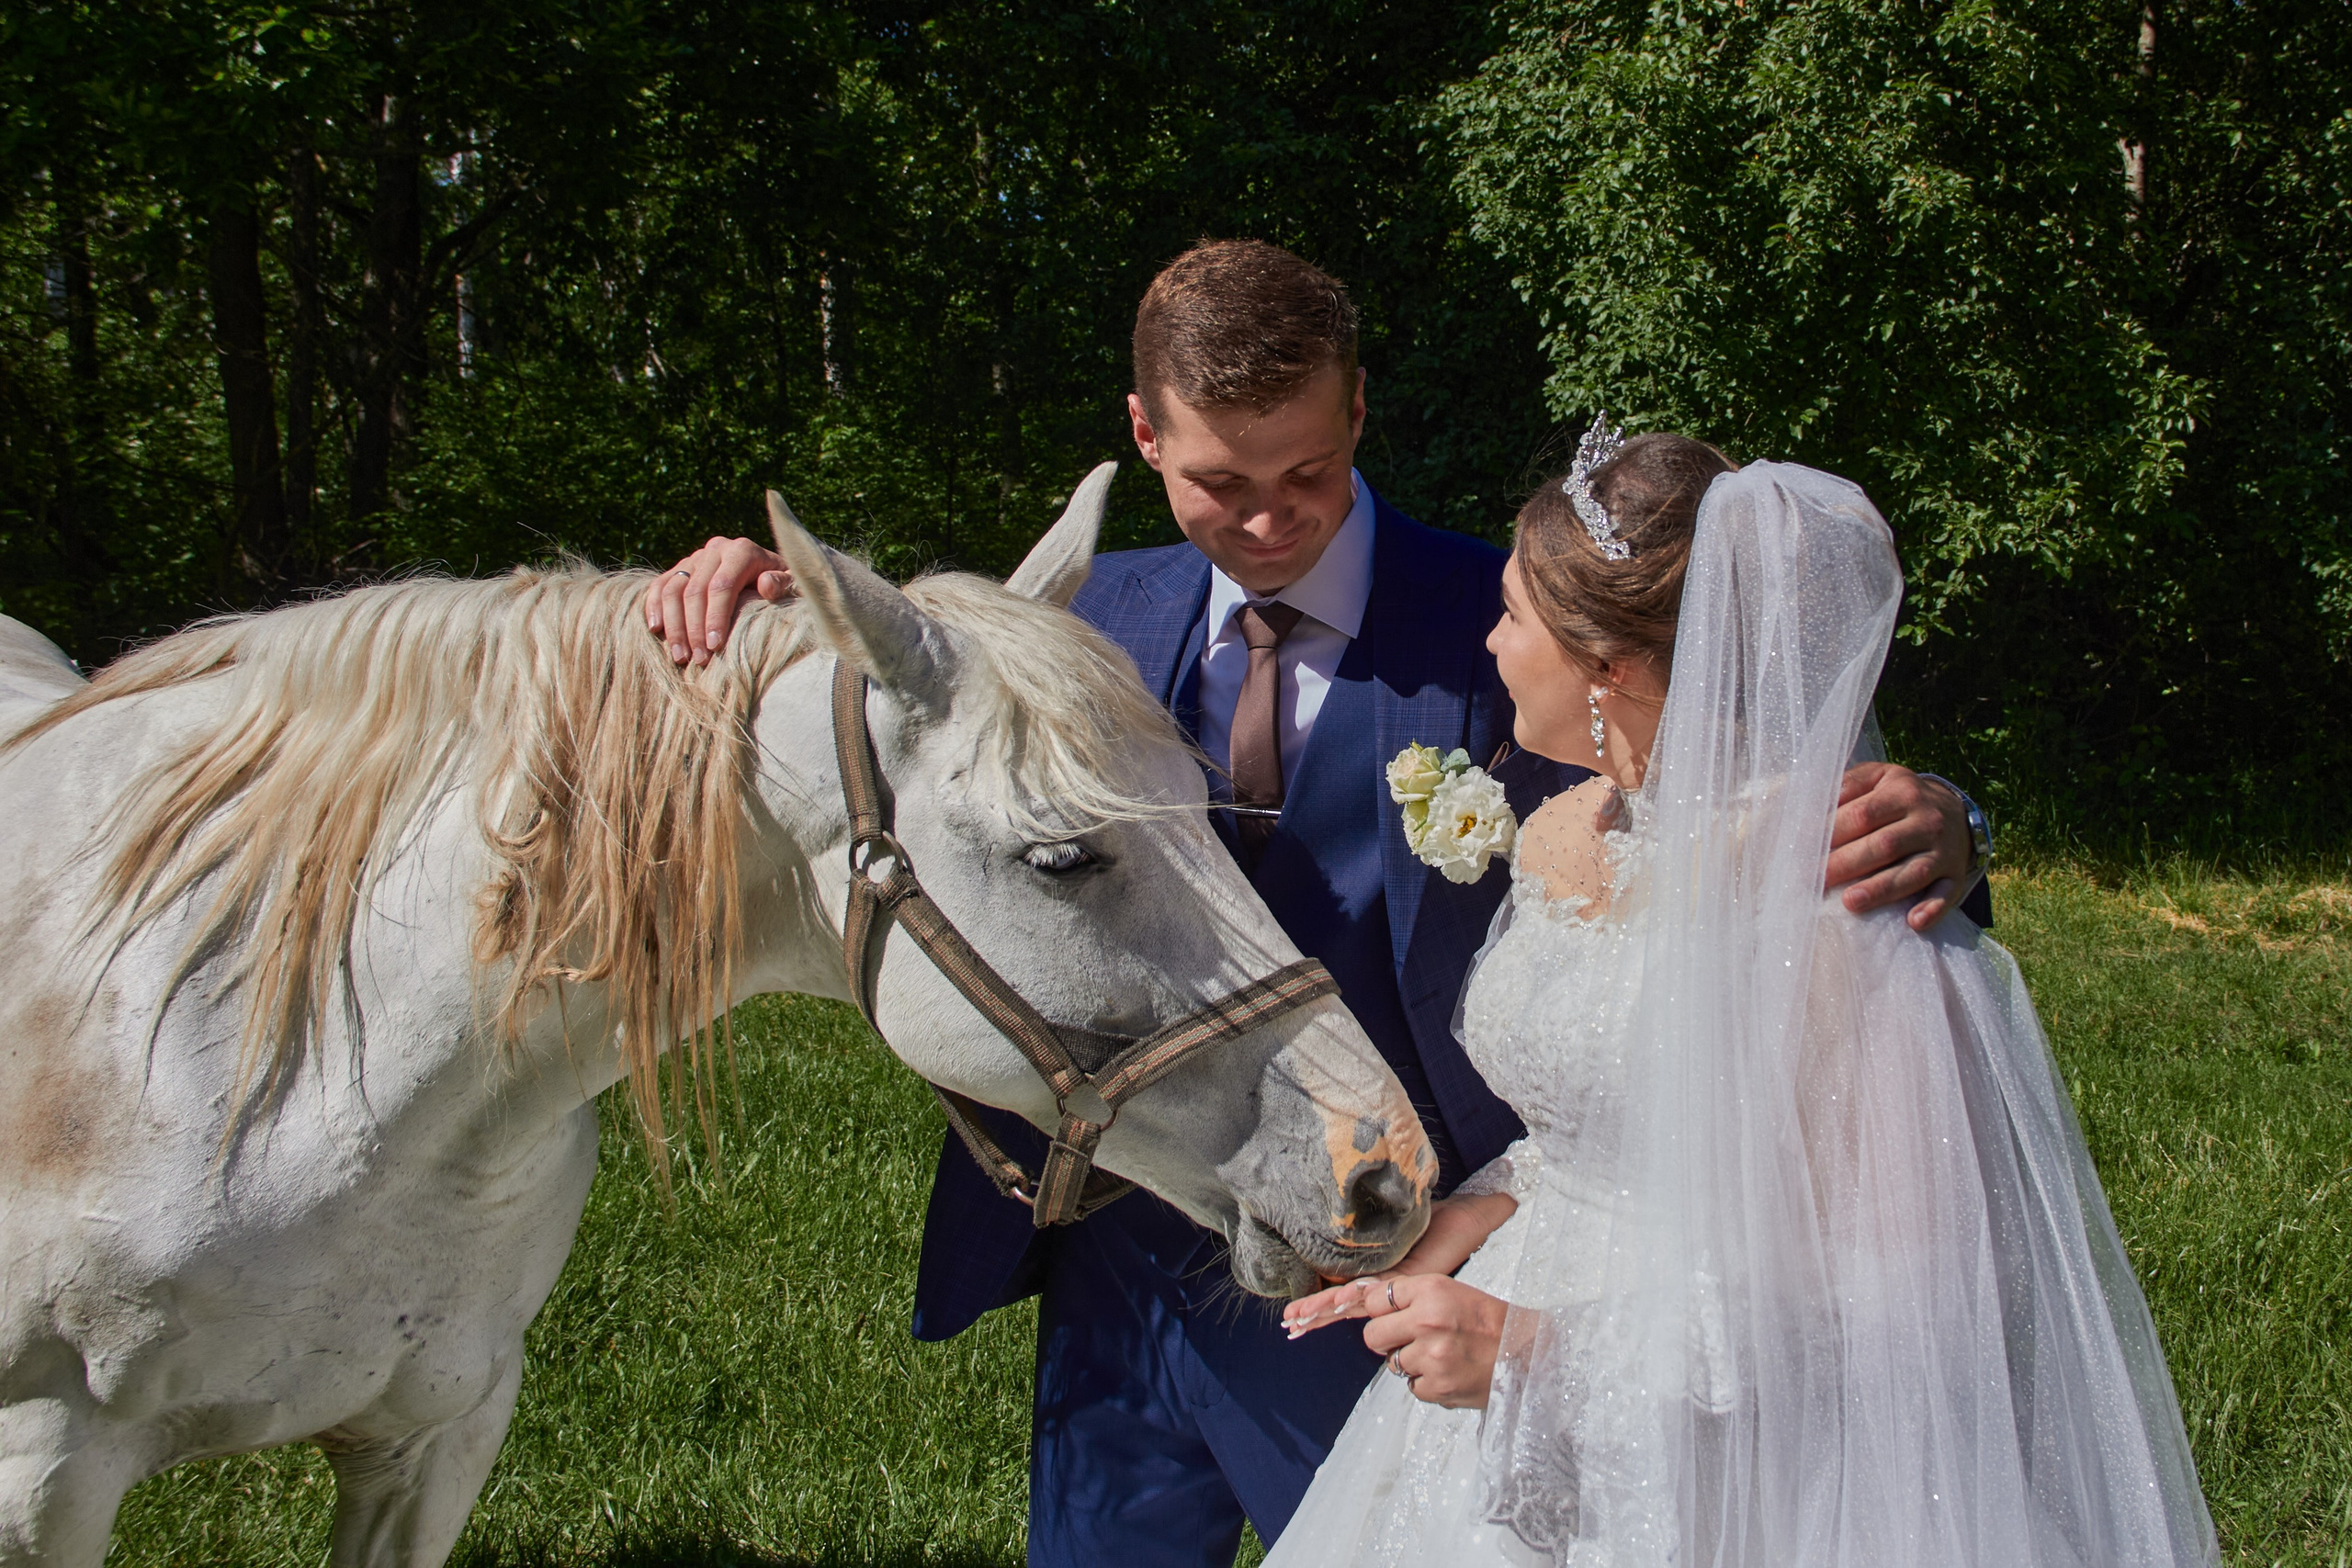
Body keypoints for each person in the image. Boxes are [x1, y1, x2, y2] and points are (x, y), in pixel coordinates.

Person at [646, 242, 1986, 1567]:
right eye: (1222, 482)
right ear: (1144, 434)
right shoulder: (1083, 615)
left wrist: (1944, 821)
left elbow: (1747, 773)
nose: (1272, 519)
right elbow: (886, 709)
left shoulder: (1510, 616)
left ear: (1358, 409)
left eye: (1309, 472)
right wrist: (745, 592)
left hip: (1402, 1235)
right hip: (1110, 1254)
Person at [1271, 434, 2218, 1566]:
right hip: (1491, 1370)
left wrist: (1534, 1355)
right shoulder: (1565, 831)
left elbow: (1898, 1308)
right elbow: (1597, 1129)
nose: (1487, 642)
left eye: (1512, 615)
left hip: (1733, 1449)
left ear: (1604, 667)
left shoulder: (1827, 897)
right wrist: (1477, 1217)